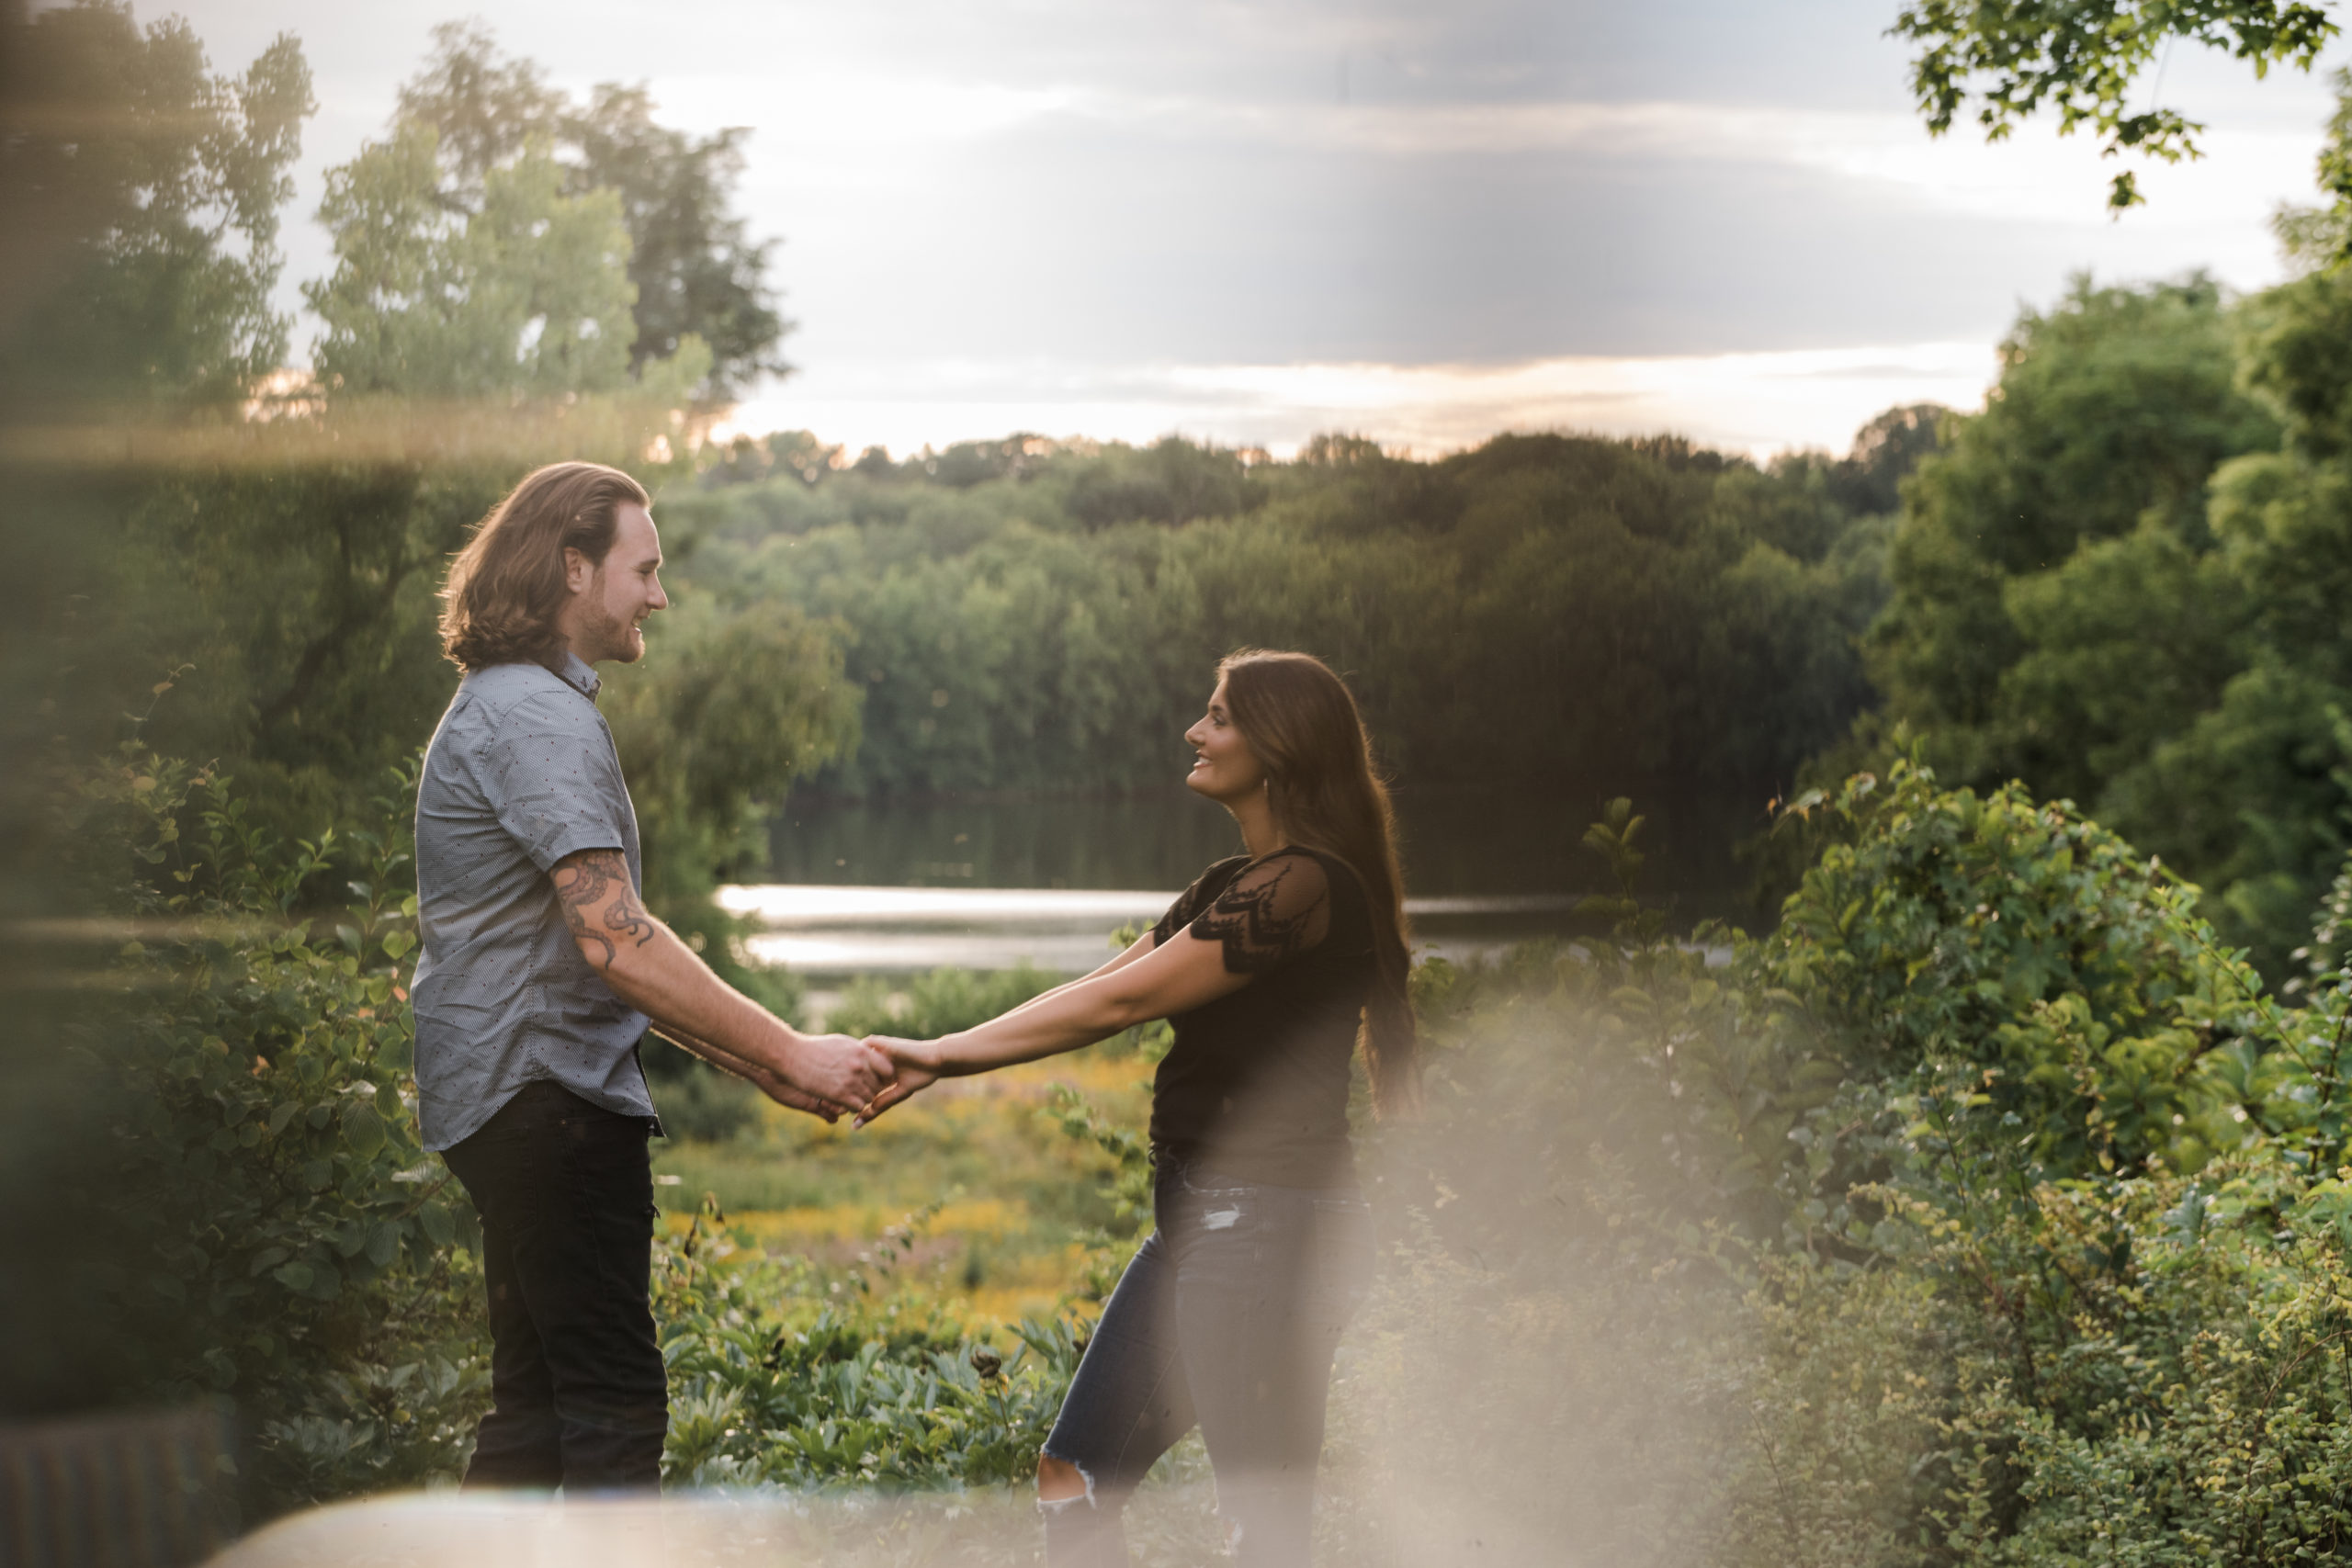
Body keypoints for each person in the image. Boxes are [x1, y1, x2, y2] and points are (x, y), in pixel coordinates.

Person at [858, 649, 1417, 1567]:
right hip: (1206, 1221)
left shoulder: (1306, 885)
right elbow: (1098, 988)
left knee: (1261, 1526)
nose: (1195, 733)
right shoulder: (1231, 883)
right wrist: (937, 1055)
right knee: (1072, 1481)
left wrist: (941, 1055)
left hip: (1271, 1224)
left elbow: (1122, 1007)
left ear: (1278, 745)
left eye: (1220, 718)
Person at [413, 460, 890, 1492]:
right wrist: (794, 1049)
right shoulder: (539, 719)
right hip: (549, 1110)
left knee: (536, 1418)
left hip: (511, 1102)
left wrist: (767, 1072)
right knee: (612, 1413)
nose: (659, 597)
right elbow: (616, 942)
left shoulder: (502, 706)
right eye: (646, 569)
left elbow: (599, 964)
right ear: (573, 569)